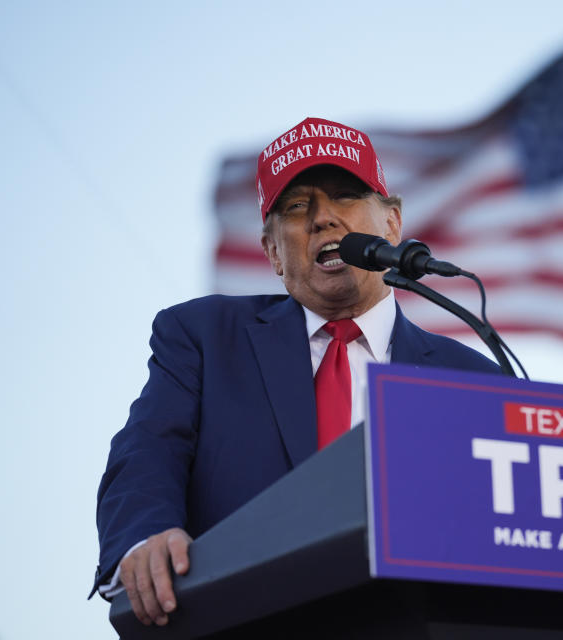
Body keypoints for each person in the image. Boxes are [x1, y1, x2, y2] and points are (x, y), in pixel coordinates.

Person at [92, 117, 501, 626]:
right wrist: (144, 535)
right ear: (272, 253)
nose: (323, 219)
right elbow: (148, 450)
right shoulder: (204, 338)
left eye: (346, 196)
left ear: (392, 224)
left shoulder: (475, 379)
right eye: (296, 207)